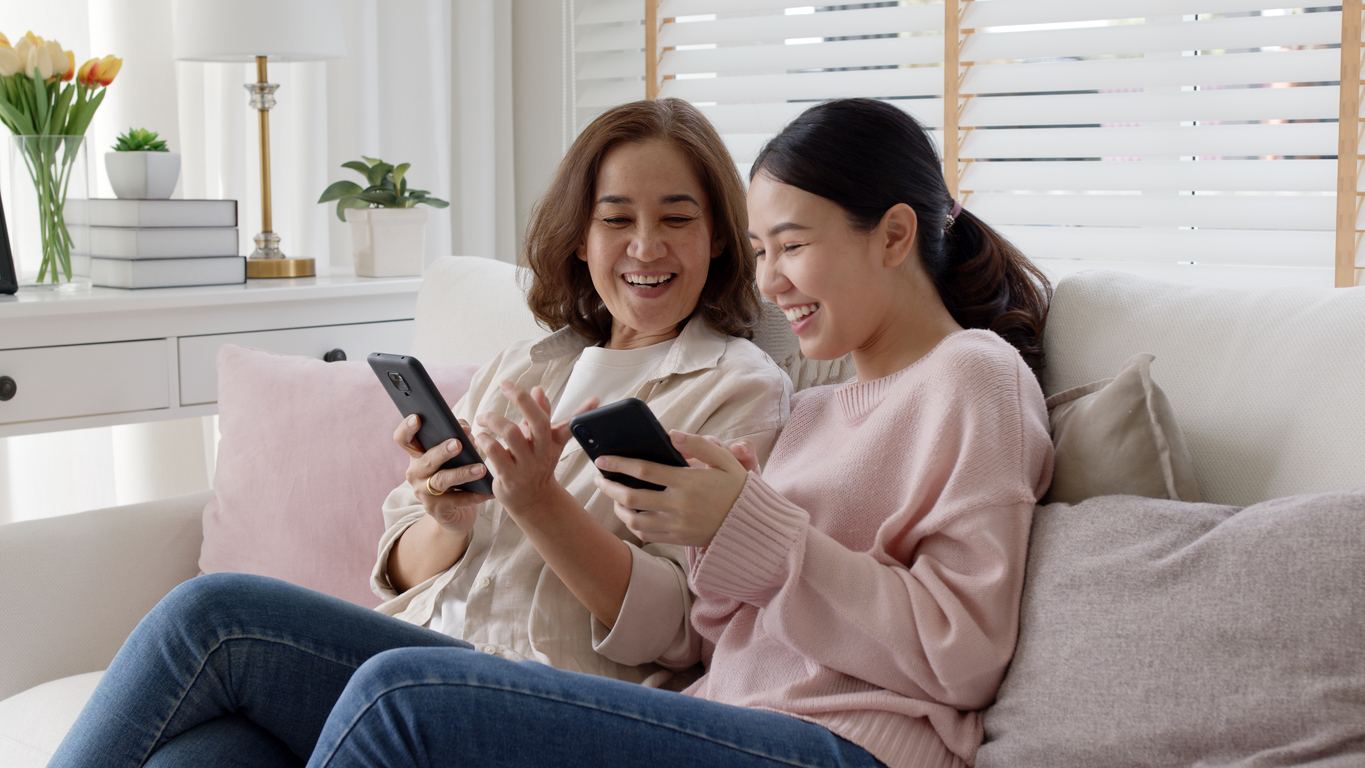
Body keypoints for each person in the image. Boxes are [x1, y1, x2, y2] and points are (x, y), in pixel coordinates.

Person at [267, 98, 1057, 768]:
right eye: (761, 251)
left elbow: (963, 656)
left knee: (396, 692)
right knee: (221, 651)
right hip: (730, 716)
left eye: (791, 245)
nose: (770, 279)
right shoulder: (819, 413)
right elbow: (723, 638)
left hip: (837, 744)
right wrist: (713, 533)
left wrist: (748, 526)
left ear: (891, 235)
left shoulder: (972, 376)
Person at [46, 98, 790, 767]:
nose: (645, 246)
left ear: (721, 238)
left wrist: (538, 504)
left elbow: (678, 632)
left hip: (534, 695)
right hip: (411, 657)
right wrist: (447, 516)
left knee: (211, 616)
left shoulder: (738, 388)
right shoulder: (529, 360)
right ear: (579, 238)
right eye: (617, 218)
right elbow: (399, 569)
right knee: (208, 755)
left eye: (676, 218)